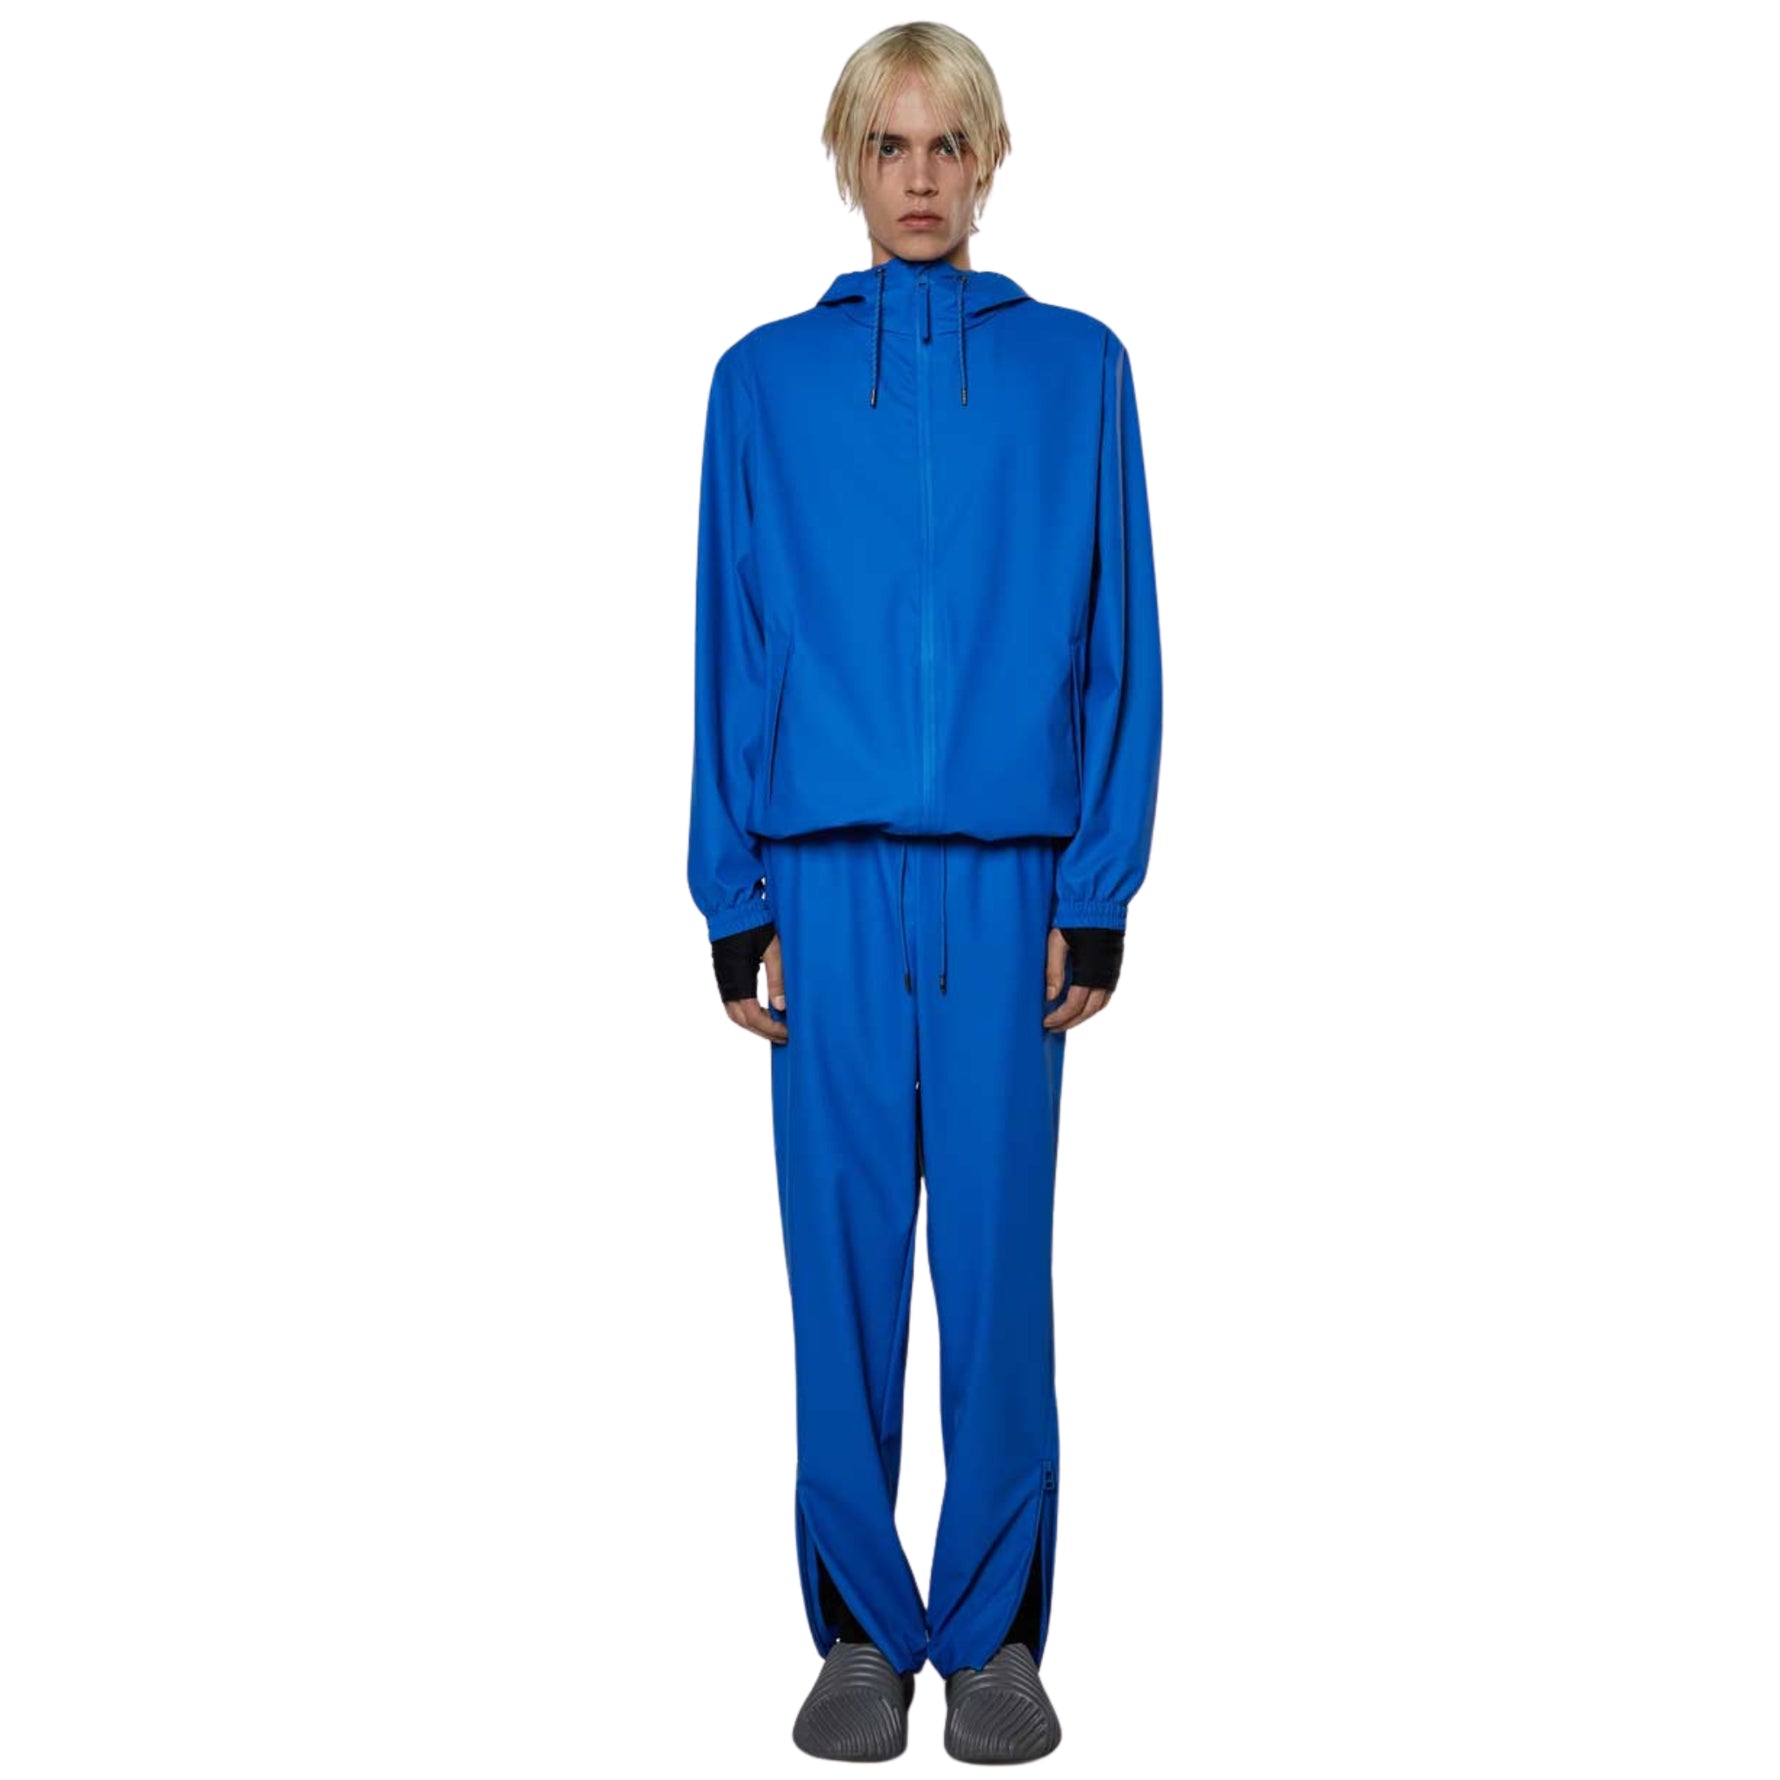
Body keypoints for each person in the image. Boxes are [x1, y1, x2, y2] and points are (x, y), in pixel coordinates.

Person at [686, 22, 1163, 1765]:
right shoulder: (763, 383)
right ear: (849, 160)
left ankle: (998, 1637)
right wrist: (731, 891)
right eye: (888, 146)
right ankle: (859, 1636)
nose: (917, 178)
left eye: (946, 145)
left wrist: (1098, 883)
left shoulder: (1077, 372)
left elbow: (1120, 634)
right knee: (840, 1270)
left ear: (987, 159)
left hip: (1011, 882)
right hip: (821, 877)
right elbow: (730, 639)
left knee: (997, 1270)